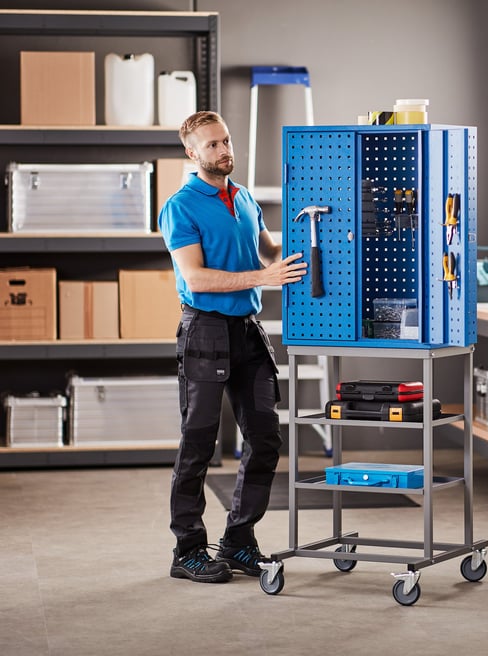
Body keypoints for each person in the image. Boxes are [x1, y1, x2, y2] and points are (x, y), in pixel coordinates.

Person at [158, 110, 307, 583]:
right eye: (213, 145)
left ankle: (240, 540)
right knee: (198, 444)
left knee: (265, 438)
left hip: (246, 330)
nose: (225, 151)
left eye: (226, 141)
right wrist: (263, 277)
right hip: (204, 331)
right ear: (192, 153)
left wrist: (312, 247)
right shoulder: (180, 206)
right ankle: (188, 551)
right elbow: (196, 277)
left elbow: (267, 251)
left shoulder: (242, 198)